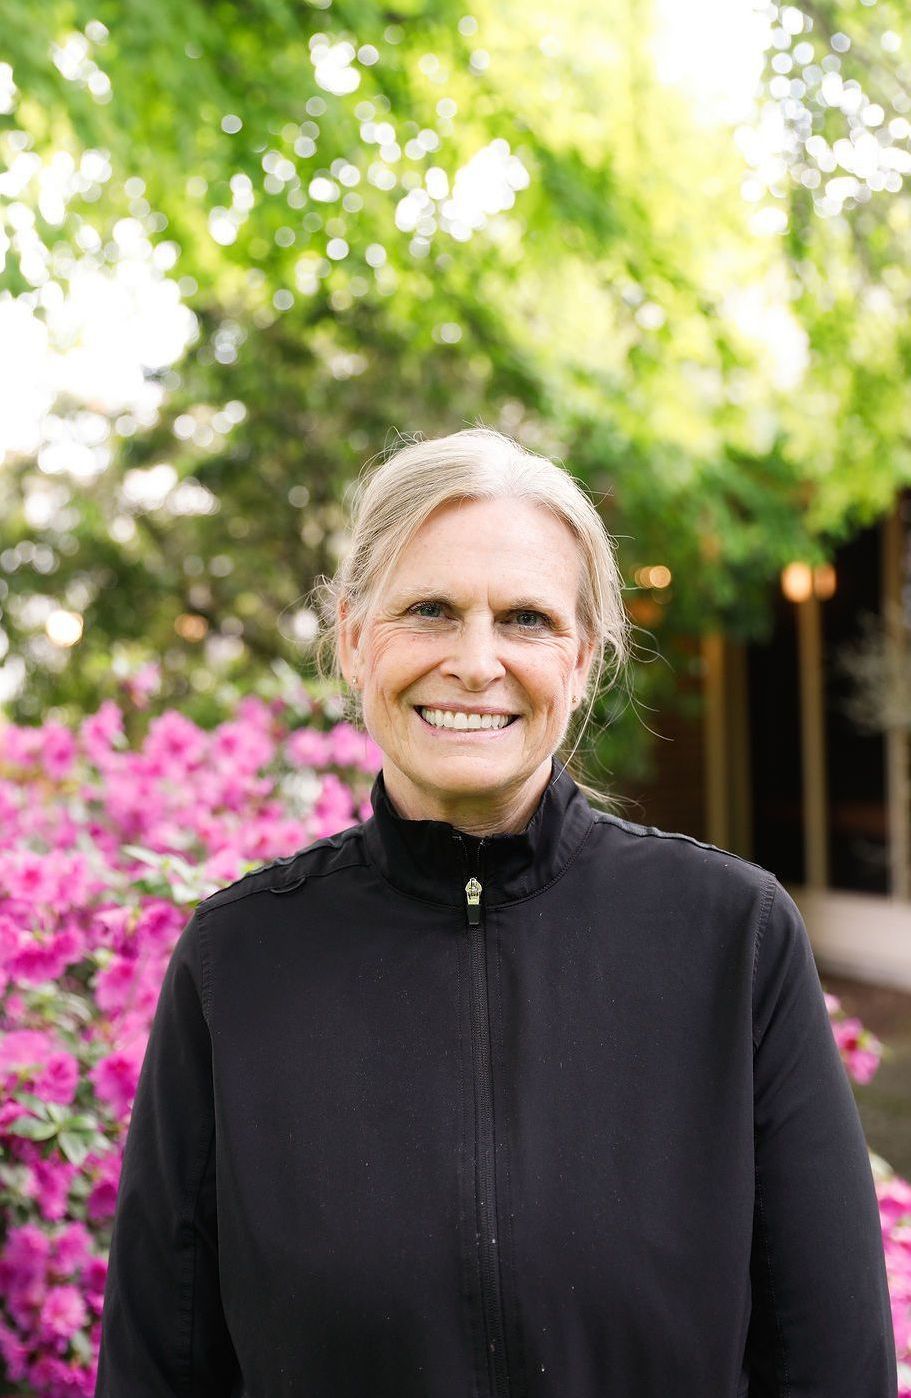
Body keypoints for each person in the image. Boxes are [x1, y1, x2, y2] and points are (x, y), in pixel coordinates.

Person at [94, 426, 897, 1397]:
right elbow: (156, 1370)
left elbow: (831, 1367)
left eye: (523, 619)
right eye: (429, 610)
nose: (476, 663)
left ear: (582, 661)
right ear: (352, 638)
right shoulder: (239, 964)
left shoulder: (731, 939)